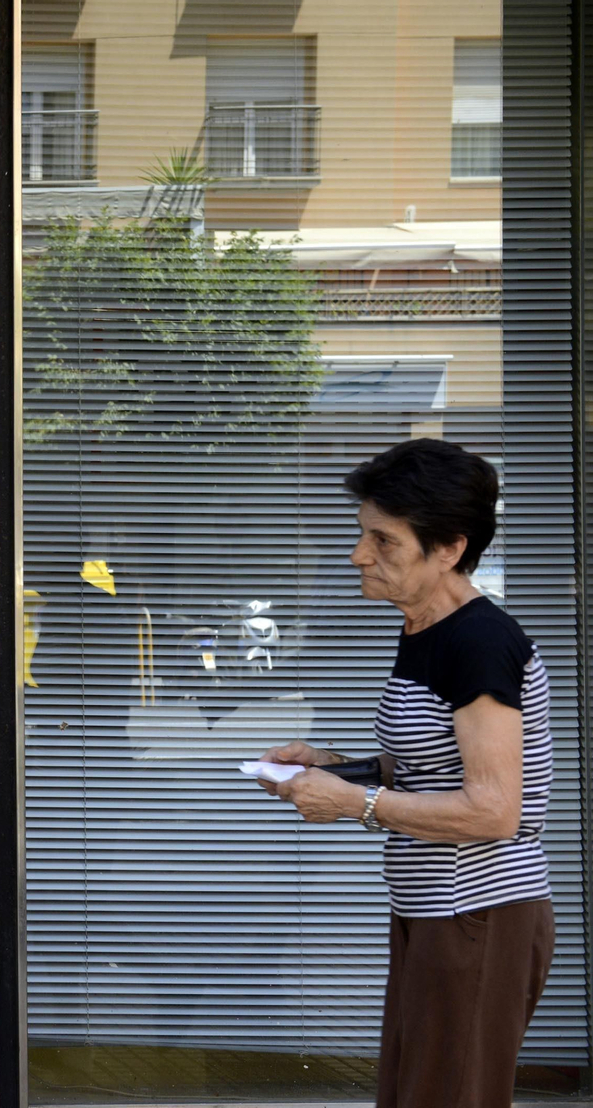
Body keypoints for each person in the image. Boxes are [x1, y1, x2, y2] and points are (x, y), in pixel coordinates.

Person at [258, 438, 553, 1108]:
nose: (360, 555)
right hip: (434, 913)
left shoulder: (479, 643)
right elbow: (426, 766)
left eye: (384, 541)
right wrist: (330, 767)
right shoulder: (426, 630)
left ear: (449, 548)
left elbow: (493, 809)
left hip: (476, 915)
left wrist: (355, 802)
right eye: (363, 535)